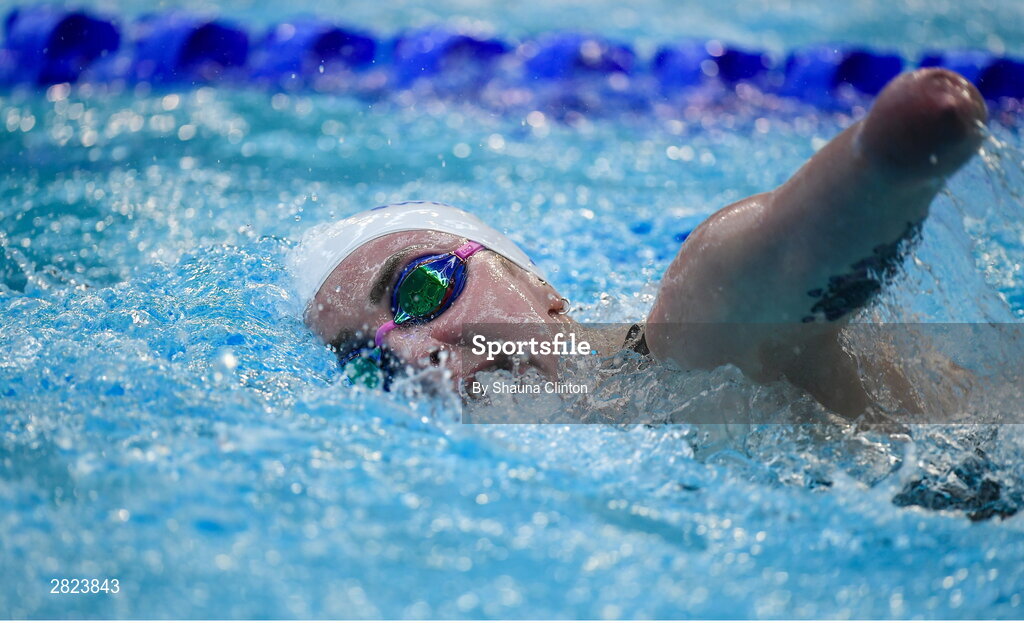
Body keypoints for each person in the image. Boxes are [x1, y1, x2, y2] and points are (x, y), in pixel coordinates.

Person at [289, 68, 988, 417]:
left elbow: (770, 264)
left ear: (538, 285)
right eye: (366, 361)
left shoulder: (691, 344)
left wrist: (886, 164)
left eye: (420, 288)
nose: (411, 353)